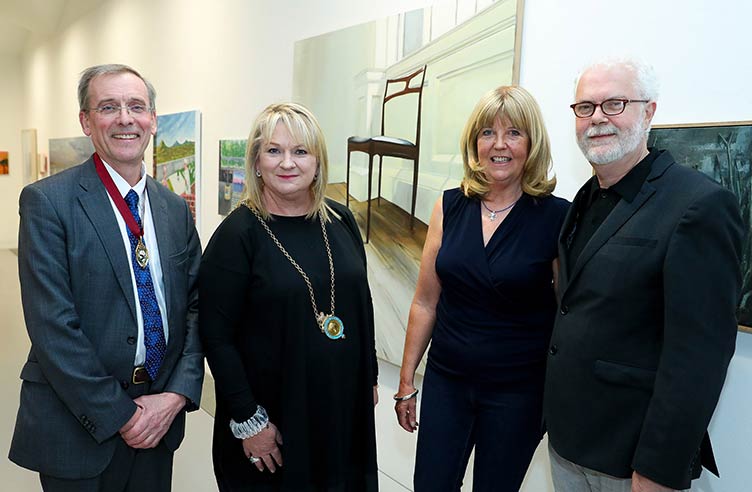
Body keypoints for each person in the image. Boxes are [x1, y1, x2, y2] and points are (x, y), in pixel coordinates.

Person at [544, 58, 743, 492]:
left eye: (614, 104)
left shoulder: (699, 205)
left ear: (649, 112)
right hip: (567, 443)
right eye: (585, 107)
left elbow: (699, 356)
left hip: (631, 461)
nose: (597, 118)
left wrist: (657, 471)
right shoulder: (584, 198)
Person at [9, 64, 204, 491]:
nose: (125, 118)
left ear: (153, 118)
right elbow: (53, 328)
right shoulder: (48, 203)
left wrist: (174, 397)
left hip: (159, 421)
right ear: (86, 120)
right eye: (108, 107)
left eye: (137, 106)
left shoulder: (174, 210)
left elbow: (195, 308)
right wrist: (122, 415)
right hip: (76, 428)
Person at [395, 86, 570, 491]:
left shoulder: (557, 217)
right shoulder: (449, 206)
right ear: (475, 143)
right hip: (446, 382)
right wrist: (406, 385)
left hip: (518, 394)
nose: (499, 145)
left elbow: (567, 315)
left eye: (514, 133)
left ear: (532, 144)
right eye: (488, 133)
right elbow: (425, 302)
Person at [199, 102, 379, 491]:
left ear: (317, 161)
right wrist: (250, 420)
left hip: (341, 410)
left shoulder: (341, 220)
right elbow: (216, 335)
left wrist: (370, 379)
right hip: (274, 421)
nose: (287, 163)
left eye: (300, 151)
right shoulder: (237, 236)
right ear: (257, 160)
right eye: (274, 150)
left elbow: (360, 305)